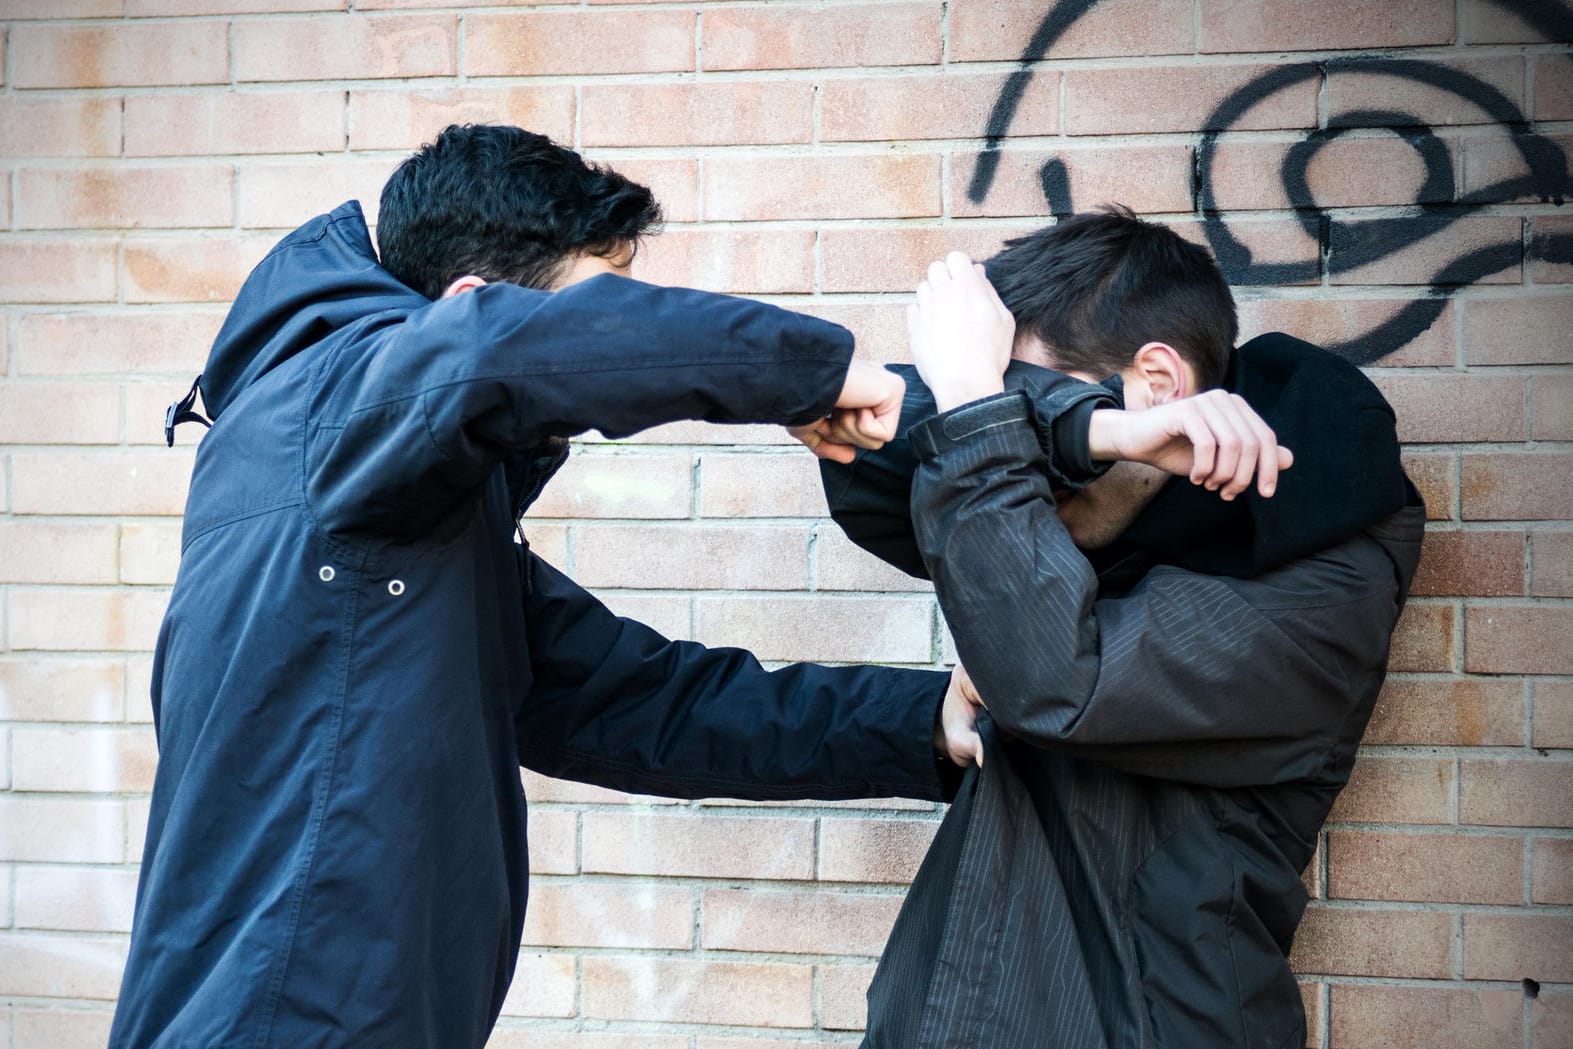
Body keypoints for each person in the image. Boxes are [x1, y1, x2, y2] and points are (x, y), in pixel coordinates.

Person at [110, 124, 967, 1049]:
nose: (622, 338)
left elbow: (645, 702)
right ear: (474, 305)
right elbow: (490, 355)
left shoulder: (394, 515)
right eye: (597, 312)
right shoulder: (333, 403)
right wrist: (812, 371)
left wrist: (922, 722)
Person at [814, 209, 1424, 1048]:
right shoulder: (1094, 515)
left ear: (1161, 383)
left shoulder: (1317, 582)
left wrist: (977, 405)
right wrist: (1068, 423)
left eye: (1022, 402)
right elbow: (866, 466)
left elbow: (1059, 682)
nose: (1017, 454)